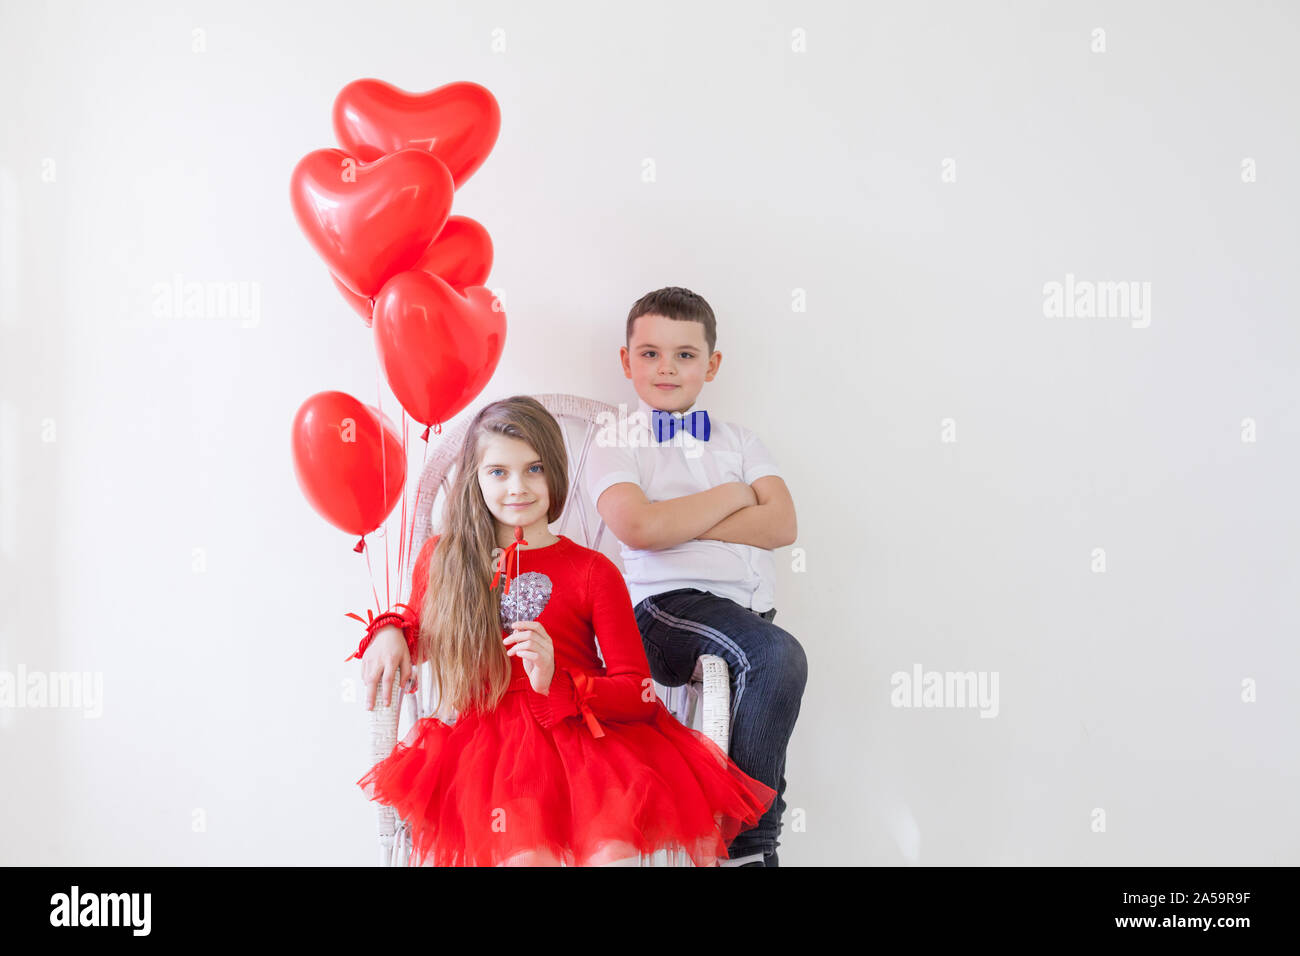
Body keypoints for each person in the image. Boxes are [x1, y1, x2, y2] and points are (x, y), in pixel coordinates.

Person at [351, 395, 776, 867]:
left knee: (610, 851)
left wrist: (558, 680)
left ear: (555, 471)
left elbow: (638, 693)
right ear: (475, 477)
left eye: (534, 469)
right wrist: (390, 629)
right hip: (484, 748)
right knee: (524, 854)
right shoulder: (446, 557)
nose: (518, 487)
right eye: (499, 472)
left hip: (584, 738)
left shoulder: (592, 570)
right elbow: (420, 633)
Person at [585, 287, 806, 867]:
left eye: (685, 355)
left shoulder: (740, 440)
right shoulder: (615, 441)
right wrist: (733, 500)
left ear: (712, 364)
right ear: (626, 360)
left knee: (771, 652)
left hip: (746, 614)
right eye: (651, 353)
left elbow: (782, 524)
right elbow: (637, 527)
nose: (667, 367)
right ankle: (747, 845)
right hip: (664, 607)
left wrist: (678, 523)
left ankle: (725, 824)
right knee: (778, 655)